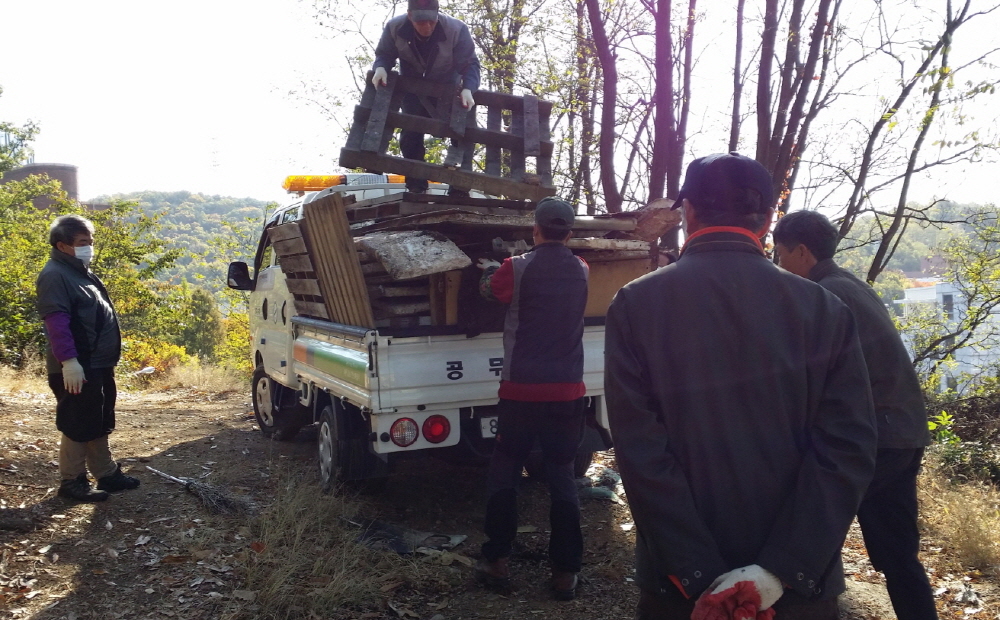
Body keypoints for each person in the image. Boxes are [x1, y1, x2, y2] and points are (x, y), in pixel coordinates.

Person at [605, 152, 878, 620]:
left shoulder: (636, 304)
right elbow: (848, 447)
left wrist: (698, 574)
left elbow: (640, 451)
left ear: (688, 212)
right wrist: (778, 571)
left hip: (680, 590)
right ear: (769, 219)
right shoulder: (825, 309)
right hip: (795, 593)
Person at [773, 210, 937, 620]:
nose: (778, 264)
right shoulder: (848, 284)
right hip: (904, 431)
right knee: (898, 555)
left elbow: (821, 380)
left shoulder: (827, 296)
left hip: (875, 437)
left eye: (779, 253)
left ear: (802, 252)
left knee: (811, 534)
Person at [474, 197, 589, 601]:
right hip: (567, 392)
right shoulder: (582, 269)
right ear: (569, 234)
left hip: (521, 391)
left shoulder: (516, 268)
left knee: (505, 469)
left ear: (535, 230)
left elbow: (489, 290)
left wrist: (488, 272)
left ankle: (497, 561)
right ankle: (565, 573)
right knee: (562, 475)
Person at [36, 214, 140, 502]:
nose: (89, 247)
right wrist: (69, 362)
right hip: (77, 365)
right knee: (78, 421)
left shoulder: (80, 272)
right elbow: (57, 322)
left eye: (90, 242)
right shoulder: (55, 275)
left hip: (97, 363)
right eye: (83, 242)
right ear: (63, 245)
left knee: (99, 418)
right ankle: (72, 482)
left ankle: (105, 473)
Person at [371, 0, 481, 196]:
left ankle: (458, 188)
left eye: (431, 21)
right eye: (421, 22)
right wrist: (380, 68)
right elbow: (385, 53)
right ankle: (416, 186)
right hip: (413, 88)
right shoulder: (394, 27)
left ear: (437, 14)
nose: (427, 27)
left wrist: (468, 89)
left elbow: (470, 63)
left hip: (448, 88)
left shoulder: (456, 29)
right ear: (410, 16)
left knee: (460, 134)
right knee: (410, 136)